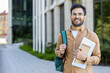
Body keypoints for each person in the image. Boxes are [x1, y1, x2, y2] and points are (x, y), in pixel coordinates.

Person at [55, 4, 101, 73]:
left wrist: (85, 58)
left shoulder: (92, 35)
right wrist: (61, 53)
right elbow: (57, 51)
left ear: (84, 17)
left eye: (80, 14)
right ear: (71, 16)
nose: (77, 16)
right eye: (74, 14)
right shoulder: (62, 35)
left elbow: (97, 58)